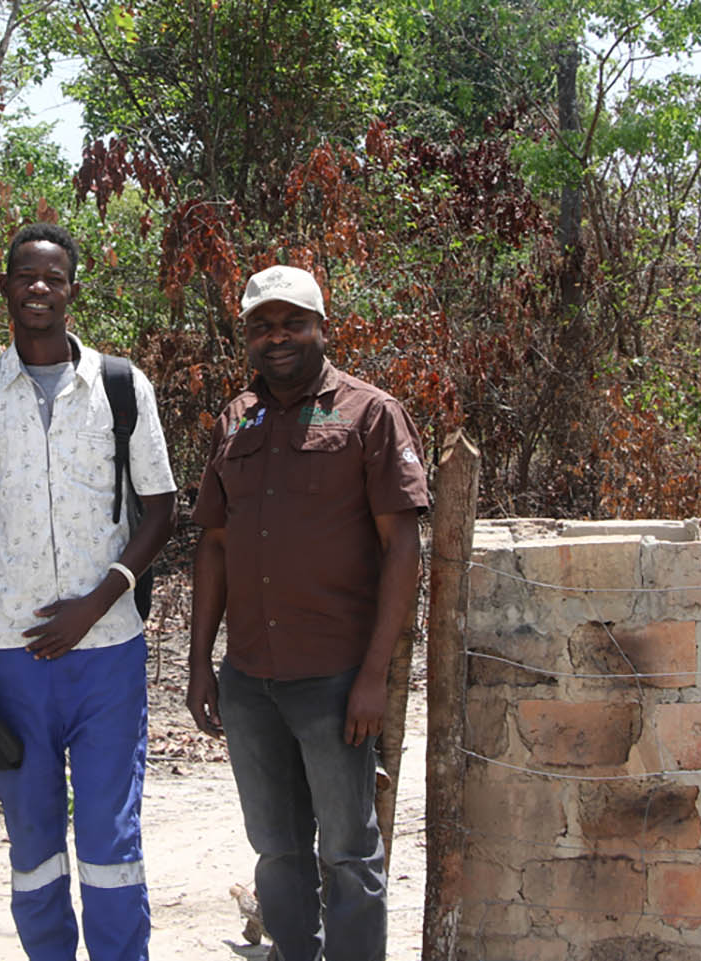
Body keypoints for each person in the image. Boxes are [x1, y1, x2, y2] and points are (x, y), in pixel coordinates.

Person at [0, 223, 177, 961]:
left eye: (53, 277)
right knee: (33, 843)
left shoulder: (119, 385)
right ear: (6, 287)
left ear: (72, 289)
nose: (38, 287)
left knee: (112, 838)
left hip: (106, 653)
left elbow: (162, 507)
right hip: (12, 658)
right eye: (25, 275)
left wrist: (97, 602)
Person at [187, 264, 427, 961]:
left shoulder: (371, 413)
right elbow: (215, 545)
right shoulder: (238, 417)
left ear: (323, 327)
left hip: (335, 679)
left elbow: (402, 548)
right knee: (276, 847)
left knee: (349, 851)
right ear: (247, 337)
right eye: (262, 325)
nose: (278, 336)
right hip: (251, 678)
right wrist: (203, 663)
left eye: (293, 322)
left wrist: (374, 675)